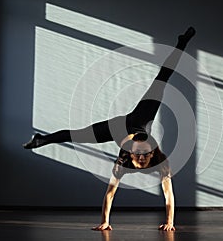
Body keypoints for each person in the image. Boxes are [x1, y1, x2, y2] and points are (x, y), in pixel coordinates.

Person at [23, 26, 196, 231]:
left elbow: (165, 194)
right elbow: (112, 193)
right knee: (77, 134)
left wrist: (170, 222)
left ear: (150, 156)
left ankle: (181, 43)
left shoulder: (131, 162)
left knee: (163, 78)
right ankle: (42, 139)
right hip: (135, 120)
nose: (141, 158)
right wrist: (105, 221)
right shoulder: (141, 154)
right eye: (139, 155)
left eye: (143, 156)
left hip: (118, 130)